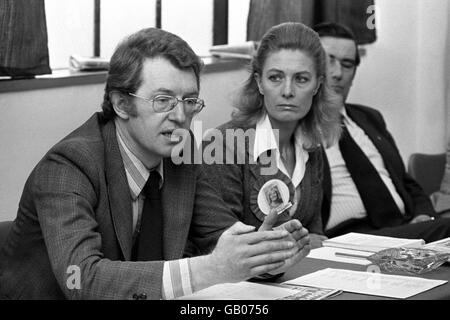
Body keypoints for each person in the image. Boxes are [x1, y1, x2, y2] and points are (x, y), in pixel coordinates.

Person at [0, 28, 311, 300]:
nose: (180, 116)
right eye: (163, 101)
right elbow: (80, 279)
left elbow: (223, 239)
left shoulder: (182, 158)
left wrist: (265, 254)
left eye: (189, 101)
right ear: (122, 103)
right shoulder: (69, 166)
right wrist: (210, 268)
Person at [202, 22, 341, 249]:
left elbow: (316, 234)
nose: (287, 91)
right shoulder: (221, 144)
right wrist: (293, 243)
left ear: (318, 85)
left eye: (301, 79)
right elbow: (223, 244)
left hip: (301, 278)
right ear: (259, 82)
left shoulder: (312, 146)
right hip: (244, 282)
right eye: (275, 77)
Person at [313, 22, 450, 242]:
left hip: (402, 227)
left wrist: (424, 215)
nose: (337, 73)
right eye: (327, 60)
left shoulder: (370, 118)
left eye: (347, 64)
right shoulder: (296, 128)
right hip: (347, 237)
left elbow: (407, 183)